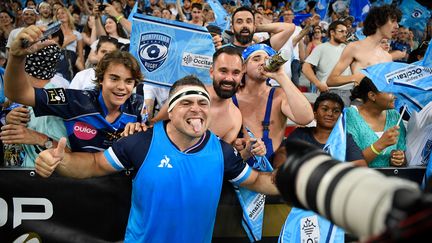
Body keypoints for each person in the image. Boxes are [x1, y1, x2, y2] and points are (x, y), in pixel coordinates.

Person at [34, 76, 279, 243]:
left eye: (202, 103)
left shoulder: (222, 152)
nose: (196, 109)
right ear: (170, 111)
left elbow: (258, 181)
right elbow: (94, 165)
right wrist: (61, 161)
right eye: (186, 102)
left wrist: (298, 177)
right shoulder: (141, 142)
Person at [4, 25, 144, 152]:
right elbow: (19, 94)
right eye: (114, 78)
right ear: (101, 79)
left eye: (129, 81)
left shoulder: (137, 106)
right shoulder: (76, 99)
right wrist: (16, 58)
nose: (121, 87)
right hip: (79, 177)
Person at [232, 44, 314, 160]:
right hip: (239, 168)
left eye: (267, 60)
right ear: (243, 67)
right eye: (256, 59)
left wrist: (281, 76)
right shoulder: (231, 98)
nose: (262, 63)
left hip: (269, 171)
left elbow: (306, 118)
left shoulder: (279, 96)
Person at [0, 30, 69, 167]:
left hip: (40, 182)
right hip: (17, 177)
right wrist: (7, 119)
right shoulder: (22, 96)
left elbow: (66, 156)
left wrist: (39, 139)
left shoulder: (54, 99)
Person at [273, 92, 366, 168]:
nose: (330, 114)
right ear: (315, 114)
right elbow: (281, 154)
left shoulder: (345, 138)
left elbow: (361, 165)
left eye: (336, 111)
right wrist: (281, 168)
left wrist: (330, 169)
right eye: (325, 109)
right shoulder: (300, 134)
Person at [327, 5, 402, 87]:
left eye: (397, 22)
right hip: (360, 98)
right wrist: (356, 78)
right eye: (392, 21)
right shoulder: (354, 47)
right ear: (378, 22)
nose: (397, 26)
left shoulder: (387, 57)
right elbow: (331, 80)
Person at [345, 77, 406, 168]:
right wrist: (380, 144)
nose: (395, 96)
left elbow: (403, 155)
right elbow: (352, 163)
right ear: (372, 96)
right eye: (389, 92)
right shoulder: (350, 115)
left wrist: (399, 159)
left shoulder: (395, 116)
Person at [302, 20, 352, 106]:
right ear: (332, 32)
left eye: (346, 32)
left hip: (347, 91)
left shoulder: (349, 48)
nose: (344, 34)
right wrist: (318, 84)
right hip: (328, 91)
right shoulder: (321, 48)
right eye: (341, 31)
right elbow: (306, 67)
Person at [225, 6, 295, 52]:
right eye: (239, 22)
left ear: (254, 26)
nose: (244, 25)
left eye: (249, 21)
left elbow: (290, 28)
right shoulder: (224, 51)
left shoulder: (262, 50)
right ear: (232, 28)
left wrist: (254, 28)